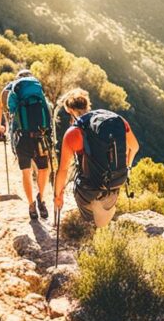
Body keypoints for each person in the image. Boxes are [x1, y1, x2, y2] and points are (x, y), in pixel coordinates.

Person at [53, 89, 139, 228]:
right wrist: (125, 168)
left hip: (91, 188)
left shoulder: (74, 132)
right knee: (105, 208)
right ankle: (102, 224)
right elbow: (134, 147)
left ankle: (89, 224)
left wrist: (58, 196)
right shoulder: (117, 120)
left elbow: (63, 170)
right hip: (116, 181)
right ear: (87, 106)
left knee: (80, 190)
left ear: (69, 110)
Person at [0, 69, 53, 221]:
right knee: (44, 169)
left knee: (26, 172)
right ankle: (41, 199)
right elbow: (49, 108)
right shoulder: (38, 90)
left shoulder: (14, 91)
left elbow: (10, 110)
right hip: (40, 136)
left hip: (23, 138)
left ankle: (31, 205)